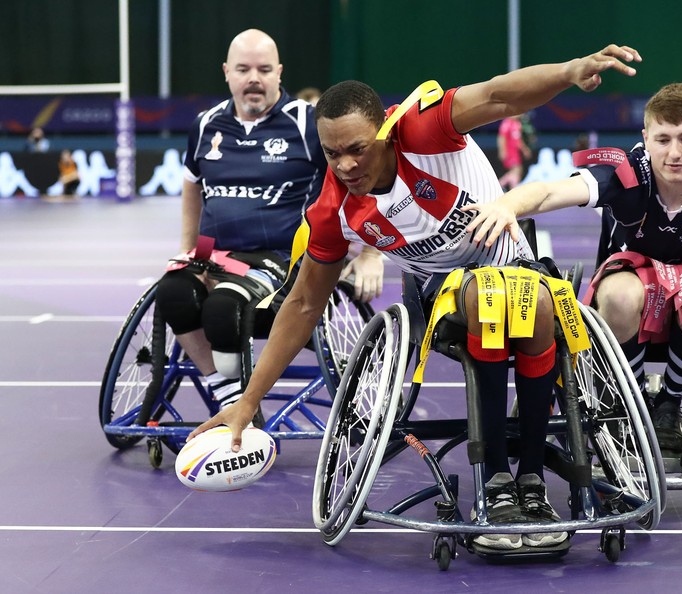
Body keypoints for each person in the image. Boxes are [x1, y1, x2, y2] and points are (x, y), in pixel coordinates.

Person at [190, 43, 643, 552]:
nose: (344, 165)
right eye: (331, 153)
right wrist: (249, 401)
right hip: (439, 297)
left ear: (383, 131)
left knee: (525, 301)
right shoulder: (333, 209)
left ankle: (532, 479)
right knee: (488, 298)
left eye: (357, 149)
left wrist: (568, 71)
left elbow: (498, 94)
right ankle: (496, 482)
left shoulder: (423, 129)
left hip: (513, 266)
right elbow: (302, 304)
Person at [462, 82, 682, 456]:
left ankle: (668, 403)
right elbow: (550, 192)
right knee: (621, 293)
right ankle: (629, 401)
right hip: (627, 285)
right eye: (663, 140)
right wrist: (506, 207)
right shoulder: (627, 174)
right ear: (646, 138)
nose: (674, 153)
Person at [156, 29, 384, 413]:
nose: (253, 79)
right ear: (227, 72)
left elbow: (359, 179)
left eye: (263, 69)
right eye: (243, 69)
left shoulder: (306, 123)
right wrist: (186, 246)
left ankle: (237, 405)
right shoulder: (205, 124)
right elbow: (192, 183)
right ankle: (227, 393)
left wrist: (368, 252)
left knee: (221, 310)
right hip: (213, 250)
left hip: (280, 254)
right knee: (172, 293)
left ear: (279, 73)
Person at [497, 115, 533, 190]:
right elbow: (501, 138)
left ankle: (503, 186)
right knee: (516, 170)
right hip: (509, 152)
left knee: (517, 170)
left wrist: (525, 150)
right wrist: (502, 151)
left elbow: (519, 141)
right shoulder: (506, 123)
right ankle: (507, 187)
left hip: (515, 153)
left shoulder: (517, 124)